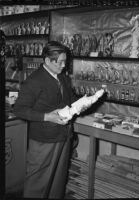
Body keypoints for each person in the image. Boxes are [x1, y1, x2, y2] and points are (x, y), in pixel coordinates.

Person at [14, 41, 78, 199]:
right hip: (43, 140)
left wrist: (84, 103)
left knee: (57, 181)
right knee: (37, 183)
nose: (64, 65)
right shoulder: (34, 81)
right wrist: (47, 116)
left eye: (65, 61)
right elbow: (19, 109)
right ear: (48, 60)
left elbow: (70, 100)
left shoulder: (62, 77)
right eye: (60, 62)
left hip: (63, 136)